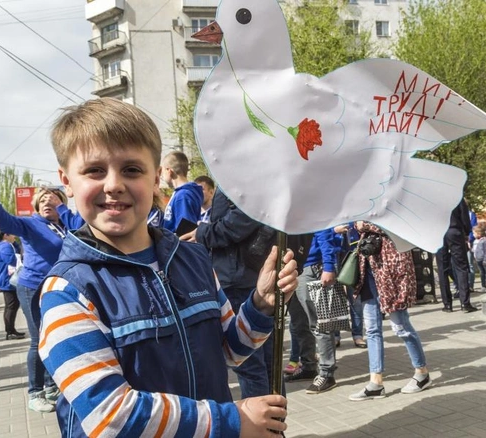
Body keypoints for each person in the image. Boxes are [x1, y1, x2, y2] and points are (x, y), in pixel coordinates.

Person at [38, 97, 298, 436]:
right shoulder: (67, 291)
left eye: (131, 169)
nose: (114, 184)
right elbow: (109, 416)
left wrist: (261, 304)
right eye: (94, 170)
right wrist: (232, 420)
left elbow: (228, 351)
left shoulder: (193, 259)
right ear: (67, 182)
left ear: (158, 177)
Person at [181, 187, 281, 399]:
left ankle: (262, 428)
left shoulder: (244, 173)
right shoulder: (246, 172)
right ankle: (272, 426)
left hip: (239, 277)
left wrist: (203, 232)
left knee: (251, 365)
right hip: (245, 274)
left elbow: (244, 217)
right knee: (266, 363)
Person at [0, 182, 65, 413]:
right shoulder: (31, 223)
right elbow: (5, 222)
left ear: (61, 203)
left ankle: (51, 385)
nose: (47, 201)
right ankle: (35, 392)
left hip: (58, 287)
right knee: (39, 339)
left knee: (55, 337)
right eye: (42, 199)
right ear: (36, 205)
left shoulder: (67, 225)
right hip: (33, 286)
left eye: (52, 198)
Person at [348, 221, 430, 400]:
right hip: (368, 268)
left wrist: (368, 226)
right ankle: (375, 382)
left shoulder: (395, 202)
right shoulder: (367, 204)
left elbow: (402, 229)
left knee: (401, 326)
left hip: (391, 272)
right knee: (372, 329)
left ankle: (422, 372)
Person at [285, 228, 341, 394]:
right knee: (298, 324)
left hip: (310, 268)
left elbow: (324, 232)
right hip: (293, 268)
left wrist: (328, 266)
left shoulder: (309, 205)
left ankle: (327, 373)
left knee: (319, 324)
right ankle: (309, 366)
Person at [435, 198, 477, 313]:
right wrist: (467, 232)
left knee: (442, 268)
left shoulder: (432, 197)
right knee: (461, 267)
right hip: (454, 230)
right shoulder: (456, 196)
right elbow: (465, 217)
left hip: (439, 233)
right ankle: (465, 303)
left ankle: (447, 304)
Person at [333, 223, 366, 348]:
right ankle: (335, 335)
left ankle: (358, 335)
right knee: (335, 299)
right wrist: (334, 230)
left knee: (355, 297)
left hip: (352, 252)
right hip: (333, 253)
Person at [0, 232, 25, 340]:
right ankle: (10, 331)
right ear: (5, 235)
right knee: (12, 305)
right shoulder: (5, 247)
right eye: (12, 235)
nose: (14, 237)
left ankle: (10, 329)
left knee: (10, 305)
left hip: (5, 278)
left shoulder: (1, 246)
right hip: (8, 279)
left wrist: (15, 245)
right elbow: (12, 261)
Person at [161, 151, 203, 232]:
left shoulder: (183, 196)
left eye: (162, 172)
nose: (161, 176)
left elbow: (185, 231)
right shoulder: (180, 194)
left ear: (169, 171)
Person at [472, 225, 486, 292]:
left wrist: (485, 260)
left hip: (484, 260)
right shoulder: (475, 241)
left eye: (474, 233)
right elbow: (474, 250)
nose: (473, 235)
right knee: (481, 273)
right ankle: (483, 286)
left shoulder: (484, 241)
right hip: (478, 260)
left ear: (478, 233)